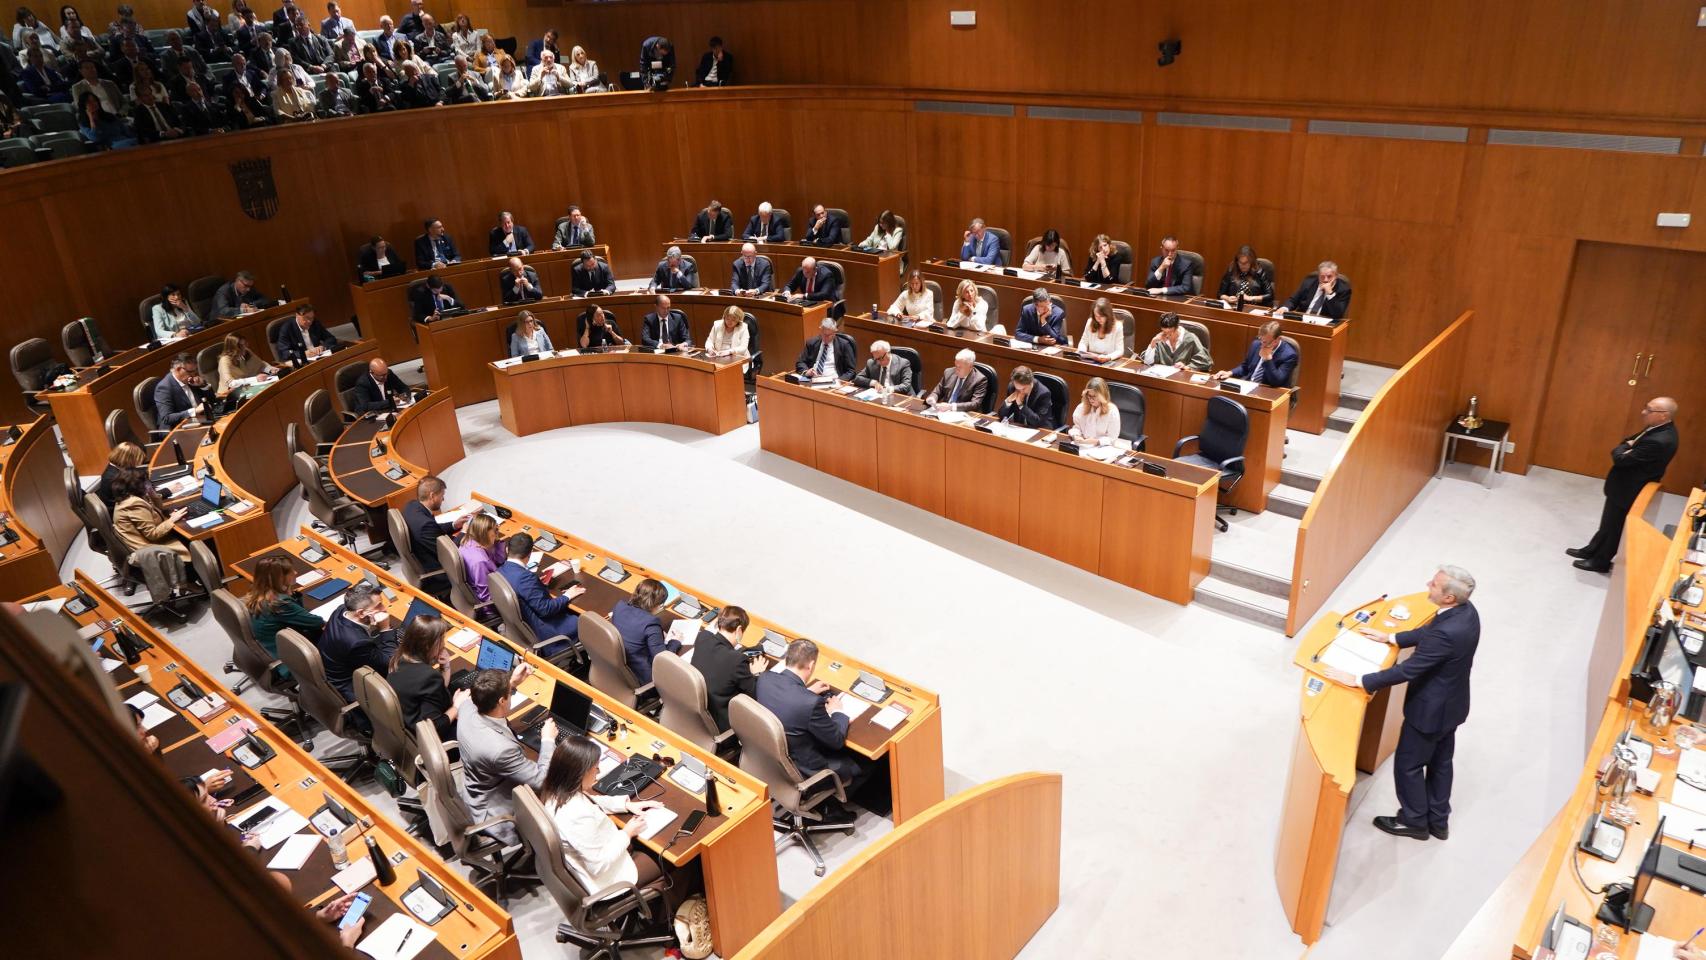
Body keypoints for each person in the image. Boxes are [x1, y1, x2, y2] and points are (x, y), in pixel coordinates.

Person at [1321, 566, 1480, 842]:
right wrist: (1392, 637)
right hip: (1452, 706)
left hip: (1429, 711)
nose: (1427, 584)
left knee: (1408, 765)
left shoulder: (1447, 632)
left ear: (1449, 598)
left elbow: (1408, 670)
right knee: (1441, 762)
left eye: (1434, 584)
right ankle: (1438, 821)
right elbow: (1431, 633)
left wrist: (1359, 680)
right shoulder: (1466, 612)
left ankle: (1414, 821)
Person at [538, 734, 673, 898]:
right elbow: (599, 865)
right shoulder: (576, 816)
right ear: (581, 773)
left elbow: (591, 801)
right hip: (609, 879)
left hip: (600, 853)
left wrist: (626, 805)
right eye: (596, 768)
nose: (599, 772)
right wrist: (627, 832)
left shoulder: (556, 790)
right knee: (671, 861)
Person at [1567, 398, 1680, 573]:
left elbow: (1620, 458)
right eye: (1646, 408)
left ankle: (1600, 562)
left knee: (1615, 527)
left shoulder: (1660, 440)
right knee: (1608, 522)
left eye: (1649, 410)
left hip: (1630, 488)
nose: (1643, 412)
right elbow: (1627, 441)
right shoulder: (1655, 428)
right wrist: (1627, 446)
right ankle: (1591, 550)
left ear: (1664, 415)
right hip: (1622, 485)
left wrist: (1625, 448)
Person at [754, 639, 869, 798]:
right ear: (811, 665)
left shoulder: (765, 679)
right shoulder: (810, 703)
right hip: (807, 769)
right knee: (867, 763)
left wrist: (806, 692)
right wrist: (837, 711)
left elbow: (786, 699)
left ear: (788, 658)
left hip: (771, 760)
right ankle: (832, 805)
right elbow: (836, 741)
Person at [457, 668, 552, 842]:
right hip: (496, 810)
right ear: (502, 701)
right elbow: (541, 781)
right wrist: (548, 740)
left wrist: (511, 683)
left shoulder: (466, 708)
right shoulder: (500, 750)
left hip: (475, 788)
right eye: (510, 693)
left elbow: (468, 700)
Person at [386, 613, 481, 741]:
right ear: (428, 645)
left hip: (406, 726)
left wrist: (445, 667)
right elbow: (435, 728)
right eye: (441, 640)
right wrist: (457, 706)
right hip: (428, 739)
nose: (443, 644)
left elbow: (430, 694)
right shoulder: (428, 676)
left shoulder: (398, 659)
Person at [109, 467, 192, 606]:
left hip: (140, 544)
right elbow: (152, 534)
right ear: (138, 485)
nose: (149, 484)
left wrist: (152, 494)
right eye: (147, 482)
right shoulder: (133, 503)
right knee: (193, 542)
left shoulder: (126, 498)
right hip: (149, 549)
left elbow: (157, 511)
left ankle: (189, 583)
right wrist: (171, 520)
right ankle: (191, 582)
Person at [495, 531, 583, 657]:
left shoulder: (500, 571)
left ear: (507, 549)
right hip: (546, 632)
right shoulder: (525, 578)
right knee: (585, 621)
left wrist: (537, 585)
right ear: (529, 554)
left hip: (522, 629)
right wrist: (567, 595)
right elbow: (545, 609)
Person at [315, 581, 398, 702]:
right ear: (361, 613)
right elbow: (389, 663)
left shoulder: (341, 610)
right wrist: (385, 629)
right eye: (379, 606)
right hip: (347, 685)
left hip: (332, 667)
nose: (384, 609)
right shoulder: (358, 643)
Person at [244, 554, 322, 680]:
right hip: (287, 661)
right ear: (280, 578)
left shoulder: (258, 593)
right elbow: (316, 622)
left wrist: (290, 593)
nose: (295, 572)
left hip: (268, 647)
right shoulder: (279, 603)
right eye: (291, 571)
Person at [691, 606, 759, 731]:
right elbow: (754, 694)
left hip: (694, 712)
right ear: (739, 630)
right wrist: (755, 673)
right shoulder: (737, 660)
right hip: (720, 723)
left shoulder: (703, 637)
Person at [611, 578, 676, 685]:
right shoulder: (651, 623)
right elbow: (662, 659)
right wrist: (675, 642)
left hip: (617, 668)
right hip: (642, 678)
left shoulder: (619, 607)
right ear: (657, 604)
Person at [402, 475, 467, 575]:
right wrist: (464, 532)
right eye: (442, 495)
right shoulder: (425, 525)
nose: (443, 499)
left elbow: (434, 529)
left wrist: (454, 525)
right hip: (440, 570)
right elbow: (450, 552)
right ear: (432, 496)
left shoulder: (412, 506)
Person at [1213, 320, 1298, 388]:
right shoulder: (1256, 344)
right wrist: (1229, 373)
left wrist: (1268, 359)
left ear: (1277, 340)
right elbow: (1245, 367)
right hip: (1249, 385)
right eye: (1260, 339)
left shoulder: (1289, 355)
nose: (1261, 344)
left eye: (1265, 342)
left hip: (1269, 391)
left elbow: (1276, 382)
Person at [457, 511, 506, 608]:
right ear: (484, 534)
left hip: (475, 589)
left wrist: (496, 539)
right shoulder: (481, 562)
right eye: (495, 531)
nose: (497, 533)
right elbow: (486, 596)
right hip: (489, 605)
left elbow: (500, 560)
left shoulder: (467, 542)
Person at [1278, 260, 1352, 321]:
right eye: (1322, 277)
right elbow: (1293, 300)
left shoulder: (1343, 290)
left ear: (1336, 276)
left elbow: (1338, 314)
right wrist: (1285, 308)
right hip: (1303, 320)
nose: (1325, 280)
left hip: (1325, 324)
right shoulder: (1309, 282)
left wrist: (1330, 293)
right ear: (1318, 276)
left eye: (1329, 276)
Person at [154, 352, 212, 428]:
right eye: (190, 372)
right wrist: (194, 411)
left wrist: (203, 385)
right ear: (178, 369)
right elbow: (167, 418)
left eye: (195, 371)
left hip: (200, 420)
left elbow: (212, 400)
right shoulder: (164, 388)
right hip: (178, 427)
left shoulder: (191, 379)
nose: (194, 375)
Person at [1141, 313, 1210, 372]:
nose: (1167, 335)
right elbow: (1148, 362)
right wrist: (1153, 342)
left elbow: (1204, 362)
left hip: (1183, 378)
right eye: (1164, 332)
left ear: (1177, 328)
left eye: (1170, 333)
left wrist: (1186, 367)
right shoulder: (1160, 338)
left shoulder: (1191, 339)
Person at [271, 304, 338, 364]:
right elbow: (285, 352)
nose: (309, 321)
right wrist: (303, 354)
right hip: (304, 362)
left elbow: (331, 338)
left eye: (312, 318)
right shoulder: (287, 328)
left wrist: (323, 346)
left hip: (319, 357)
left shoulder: (315, 323)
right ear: (297, 315)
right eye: (306, 318)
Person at [1069, 377, 1121, 445]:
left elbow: (1112, 437)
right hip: (1082, 444)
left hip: (1103, 447)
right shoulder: (1081, 407)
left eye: (1094, 396)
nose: (1091, 399)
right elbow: (1076, 427)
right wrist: (1076, 436)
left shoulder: (1112, 410)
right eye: (1089, 395)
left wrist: (1097, 441)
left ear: (1102, 396)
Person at [96, 441, 145, 507]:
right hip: (120, 510)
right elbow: (126, 501)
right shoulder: (114, 478)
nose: (136, 464)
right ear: (128, 460)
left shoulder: (113, 469)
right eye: (135, 461)